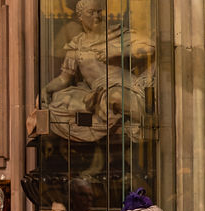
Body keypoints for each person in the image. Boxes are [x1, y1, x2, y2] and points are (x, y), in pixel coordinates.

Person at [39, 0, 156, 142]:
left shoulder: (115, 34)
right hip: (97, 93)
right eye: (91, 12)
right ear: (80, 17)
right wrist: (47, 88)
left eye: (99, 11)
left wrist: (118, 51)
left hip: (124, 85)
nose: (96, 16)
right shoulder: (76, 45)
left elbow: (151, 47)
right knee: (59, 101)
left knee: (115, 97)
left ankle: (149, 121)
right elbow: (64, 78)